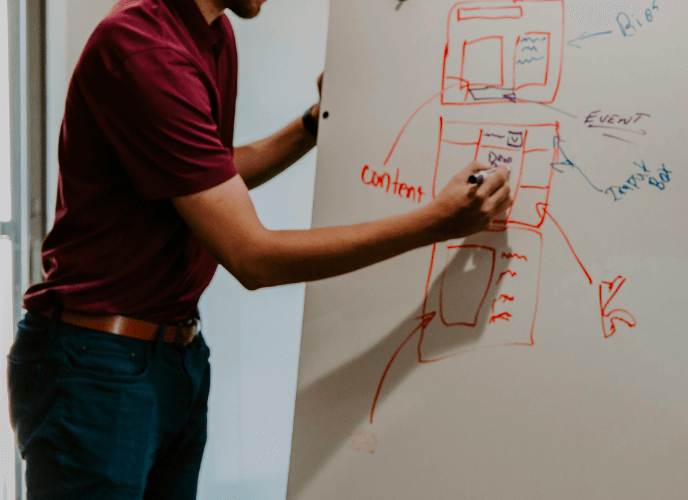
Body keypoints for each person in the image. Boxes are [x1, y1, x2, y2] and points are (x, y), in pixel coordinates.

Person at [6, 0, 512, 497]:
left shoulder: (214, 35)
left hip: (173, 355)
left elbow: (209, 172)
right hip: (96, 364)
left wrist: (313, 124)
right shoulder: (142, 47)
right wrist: (435, 222)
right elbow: (253, 258)